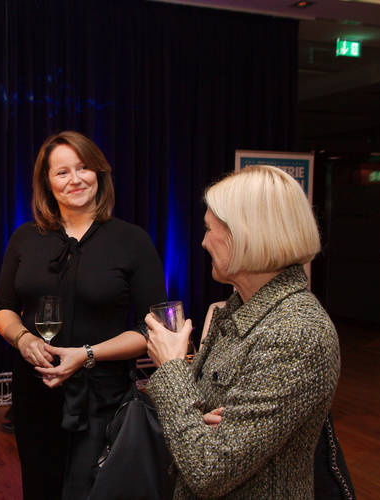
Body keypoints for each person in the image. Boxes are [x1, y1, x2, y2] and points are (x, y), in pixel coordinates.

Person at [145, 165, 340, 498]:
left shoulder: (297, 333)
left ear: (245, 235)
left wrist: (171, 367)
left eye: (209, 229)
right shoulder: (241, 309)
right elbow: (201, 427)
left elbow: (209, 470)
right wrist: (200, 421)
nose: (203, 242)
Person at [0, 131, 166, 500]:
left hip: (103, 399)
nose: (75, 179)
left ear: (99, 173)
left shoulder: (132, 240)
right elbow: (3, 309)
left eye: (84, 167)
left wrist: (87, 354)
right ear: (47, 183)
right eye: (62, 172)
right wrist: (22, 338)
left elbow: (153, 328)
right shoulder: (25, 238)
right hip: (36, 393)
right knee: (40, 489)